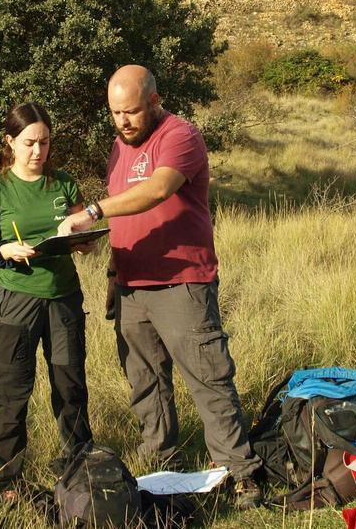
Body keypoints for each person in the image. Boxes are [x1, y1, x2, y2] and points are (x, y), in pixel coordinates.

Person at [57, 65, 263, 509]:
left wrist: (93, 210)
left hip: (182, 283)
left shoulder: (179, 135)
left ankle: (239, 471)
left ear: (153, 100)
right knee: (145, 382)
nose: (123, 122)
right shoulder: (118, 148)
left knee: (208, 377)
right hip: (132, 285)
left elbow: (156, 191)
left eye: (130, 112)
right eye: (115, 113)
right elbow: (128, 218)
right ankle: (161, 463)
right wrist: (111, 267)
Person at [0, 102, 92, 501]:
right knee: (13, 390)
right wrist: (6, 250)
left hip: (63, 299)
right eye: (28, 143)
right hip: (17, 302)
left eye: (44, 142)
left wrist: (83, 239)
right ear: (10, 142)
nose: (38, 152)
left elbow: (82, 236)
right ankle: (9, 480)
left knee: (70, 384)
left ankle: (79, 467)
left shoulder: (64, 184)